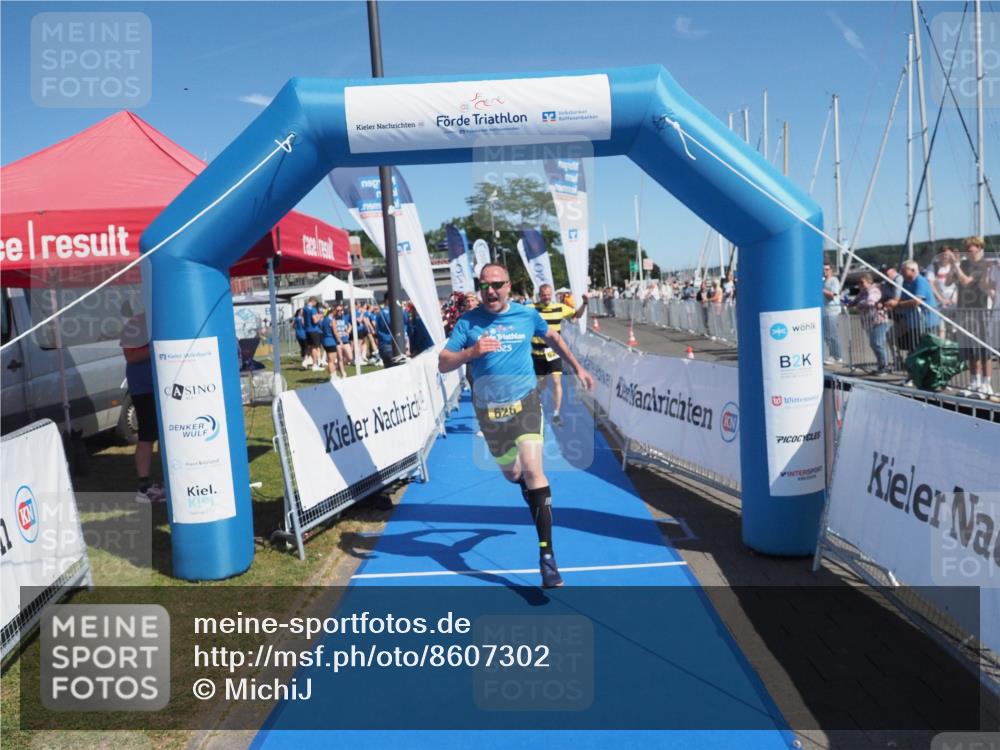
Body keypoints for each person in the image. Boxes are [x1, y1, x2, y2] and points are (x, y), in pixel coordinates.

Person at [439, 264, 595, 588]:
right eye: (485, 285)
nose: (491, 291)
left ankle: (547, 557)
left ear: (509, 285)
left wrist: (577, 366)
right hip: (489, 411)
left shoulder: (526, 315)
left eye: (497, 284)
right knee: (513, 475)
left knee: (536, 471)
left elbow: (552, 336)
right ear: (480, 288)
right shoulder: (468, 322)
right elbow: (442, 362)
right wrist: (471, 352)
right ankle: (528, 491)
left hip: (525, 402)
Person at [120, 312, 165, 503]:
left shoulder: (168, 316)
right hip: (144, 388)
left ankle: (170, 483)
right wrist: (158, 346)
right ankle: (144, 488)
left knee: (169, 435)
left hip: (166, 386)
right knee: (147, 435)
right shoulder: (136, 323)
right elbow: (130, 355)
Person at [529, 283, 587, 427]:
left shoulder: (560, 308)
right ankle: (538, 406)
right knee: (542, 385)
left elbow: (577, 315)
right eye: (544, 295)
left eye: (549, 294)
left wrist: (585, 303)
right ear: (539, 295)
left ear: (552, 294)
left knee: (556, 382)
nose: (546, 297)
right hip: (537, 354)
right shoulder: (531, 309)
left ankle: (556, 413)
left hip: (554, 353)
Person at [954, 236, 994, 396]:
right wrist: (953, 266)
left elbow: (967, 282)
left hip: (981, 309)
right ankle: (974, 381)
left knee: (984, 349)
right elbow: (951, 281)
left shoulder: (984, 264)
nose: (968, 251)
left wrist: (956, 266)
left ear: (978, 247)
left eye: (971, 248)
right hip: (965, 310)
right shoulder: (964, 264)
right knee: (970, 348)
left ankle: (987, 383)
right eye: (967, 248)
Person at [884, 259, 940, 357]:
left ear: (913, 270)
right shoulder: (906, 282)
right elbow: (900, 297)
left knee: (927, 348)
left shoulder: (920, 281)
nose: (901, 272)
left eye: (904, 270)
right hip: (913, 323)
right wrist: (893, 302)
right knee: (913, 346)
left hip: (926, 322)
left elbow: (917, 301)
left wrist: (898, 304)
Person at [847, 274, 890, 373]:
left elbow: (870, 302)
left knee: (877, 343)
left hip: (879, 321)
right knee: (874, 344)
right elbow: (855, 302)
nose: (860, 285)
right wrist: (848, 302)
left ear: (869, 282)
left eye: (862, 282)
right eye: (859, 283)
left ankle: (884, 366)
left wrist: (859, 304)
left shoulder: (874, 290)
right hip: (869, 323)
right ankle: (881, 365)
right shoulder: (862, 293)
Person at [822, 263, 844, 363]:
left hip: (832, 311)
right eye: (823, 269)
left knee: (832, 334)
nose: (824, 271)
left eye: (827, 269)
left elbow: (833, 295)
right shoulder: (822, 281)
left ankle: (837, 356)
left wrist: (821, 290)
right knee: (827, 335)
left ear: (831, 270)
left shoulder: (834, 280)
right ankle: (832, 354)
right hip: (824, 311)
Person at [303, 296, 325, 372]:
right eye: (315, 303)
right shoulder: (313, 309)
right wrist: (320, 316)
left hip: (307, 330)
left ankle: (313, 364)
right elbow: (315, 321)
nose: (316, 304)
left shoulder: (305, 308)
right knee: (315, 348)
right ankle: (315, 364)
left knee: (311, 347)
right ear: (313, 301)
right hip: (314, 330)